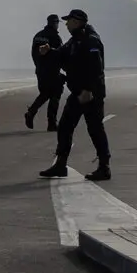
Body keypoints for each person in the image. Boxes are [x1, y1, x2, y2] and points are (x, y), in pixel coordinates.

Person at [39, 9, 110, 181]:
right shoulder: (75, 40)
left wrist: (89, 90)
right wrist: (49, 51)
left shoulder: (90, 40)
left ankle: (104, 167)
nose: (66, 24)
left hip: (90, 94)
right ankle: (60, 165)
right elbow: (63, 54)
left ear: (77, 21)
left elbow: (96, 68)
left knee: (95, 129)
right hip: (78, 92)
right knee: (64, 126)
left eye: (68, 21)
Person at [24, 14, 66, 131]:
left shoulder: (38, 36)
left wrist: (39, 66)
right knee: (55, 95)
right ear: (56, 23)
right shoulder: (55, 37)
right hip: (52, 72)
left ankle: (31, 112)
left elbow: (33, 53)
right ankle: (51, 123)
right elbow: (60, 54)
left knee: (45, 94)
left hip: (40, 71)